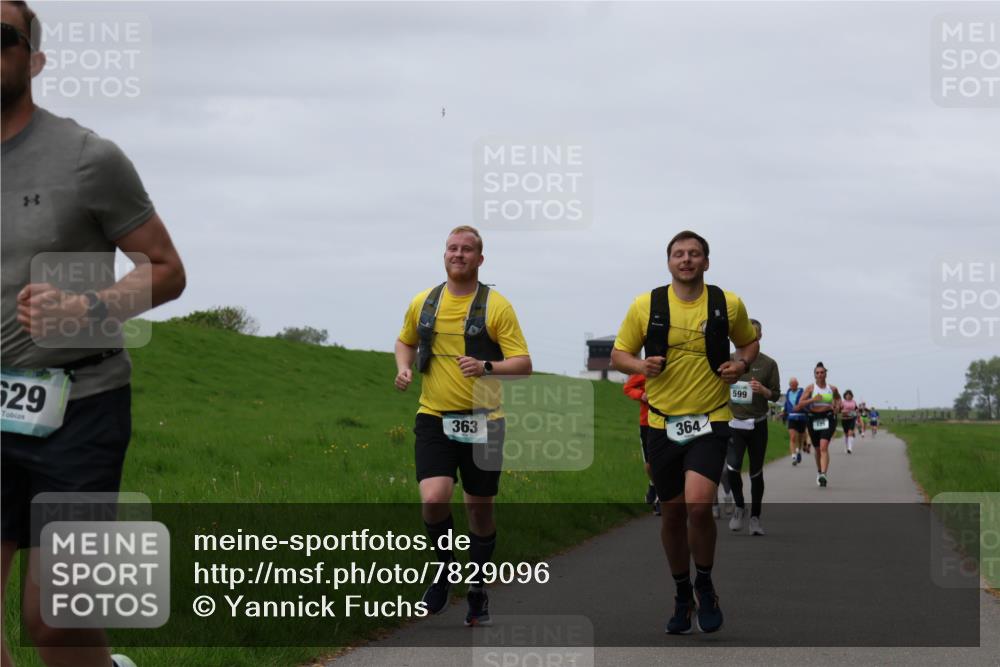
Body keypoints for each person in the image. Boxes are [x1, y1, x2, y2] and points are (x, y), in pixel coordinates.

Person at [1, 4, 186, 666]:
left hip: (78, 405)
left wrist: (85, 307)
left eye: (2, 37)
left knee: (54, 618)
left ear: (35, 60)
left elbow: (165, 271)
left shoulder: (86, 158)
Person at [610, 230, 758, 635]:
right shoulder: (646, 305)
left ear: (706, 262)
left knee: (698, 505)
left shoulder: (727, 303)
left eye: (694, 254)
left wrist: (741, 365)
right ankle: (681, 593)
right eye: (679, 254)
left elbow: (748, 344)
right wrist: (640, 367)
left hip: (711, 419)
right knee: (673, 513)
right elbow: (619, 355)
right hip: (661, 422)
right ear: (669, 262)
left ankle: (704, 584)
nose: (686, 259)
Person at [394, 225, 531, 627]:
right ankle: (443, 570)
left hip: (483, 421)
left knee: (479, 511)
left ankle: (477, 587)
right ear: (444, 255)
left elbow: (523, 365)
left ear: (480, 259)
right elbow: (405, 341)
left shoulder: (497, 307)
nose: (458, 254)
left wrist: (486, 366)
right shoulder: (424, 302)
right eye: (452, 248)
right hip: (434, 416)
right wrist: (404, 368)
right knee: (434, 497)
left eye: (467, 249)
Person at [725, 319, 780, 536]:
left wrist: (764, 391)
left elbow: (775, 394)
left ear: (760, 337)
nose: (749, 338)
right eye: (745, 333)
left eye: (753, 334)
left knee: (756, 473)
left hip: (757, 424)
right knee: (732, 468)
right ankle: (740, 507)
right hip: (733, 423)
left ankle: (755, 518)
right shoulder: (728, 360)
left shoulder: (769, 364)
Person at [796, 363, 841, 488]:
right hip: (813, 418)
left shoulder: (832, 389)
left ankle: (824, 474)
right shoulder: (810, 388)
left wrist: (837, 407)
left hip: (828, 417)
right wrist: (812, 400)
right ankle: (819, 471)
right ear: (814, 375)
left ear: (826, 374)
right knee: (817, 449)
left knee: (823, 447)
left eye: (822, 372)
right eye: (817, 373)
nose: (820, 375)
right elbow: (800, 404)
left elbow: (838, 399)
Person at [623, 374, 660, 515]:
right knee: (650, 464)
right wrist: (641, 395)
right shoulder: (645, 371)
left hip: (671, 422)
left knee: (666, 462)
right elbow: (627, 388)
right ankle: (653, 484)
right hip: (647, 423)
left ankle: (660, 499)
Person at [783, 377, 807, 465]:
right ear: (789, 385)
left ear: (797, 384)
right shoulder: (788, 393)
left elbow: (806, 403)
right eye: (791, 385)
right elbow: (787, 404)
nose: (793, 386)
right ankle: (793, 457)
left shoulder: (802, 393)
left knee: (800, 438)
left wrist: (801, 407)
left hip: (801, 417)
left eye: (794, 384)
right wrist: (784, 412)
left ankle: (799, 451)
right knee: (793, 437)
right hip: (791, 417)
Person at [839, 390, 859, 454]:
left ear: (851, 396)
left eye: (849, 395)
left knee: (850, 433)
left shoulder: (854, 402)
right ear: (845, 396)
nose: (848, 396)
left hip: (852, 419)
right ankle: (846, 446)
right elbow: (839, 410)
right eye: (847, 395)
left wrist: (856, 411)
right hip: (844, 419)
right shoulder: (843, 402)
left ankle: (850, 448)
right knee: (846, 434)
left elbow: (856, 409)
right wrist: (844, 411)